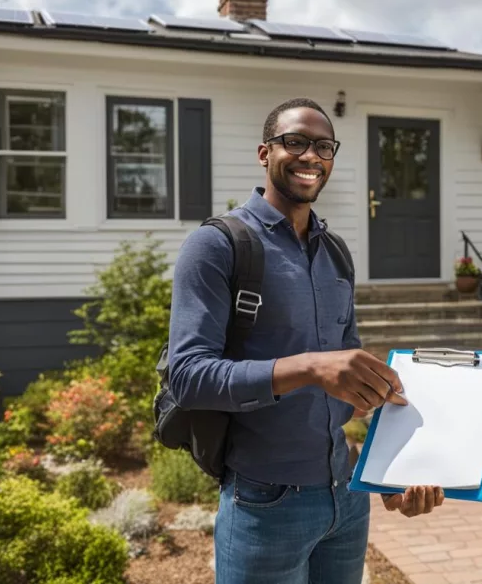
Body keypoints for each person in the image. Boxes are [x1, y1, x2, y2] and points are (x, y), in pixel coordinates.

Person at [166, 97, 444, 584]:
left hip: (347, 499)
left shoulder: (335, 253)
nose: (311, 156)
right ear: (263, 152)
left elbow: (356, 394)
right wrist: (310, 368)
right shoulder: (218, 245)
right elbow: (188, 377)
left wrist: (388, 476)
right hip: (265, 504)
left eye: (323, 146)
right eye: (294, 141)